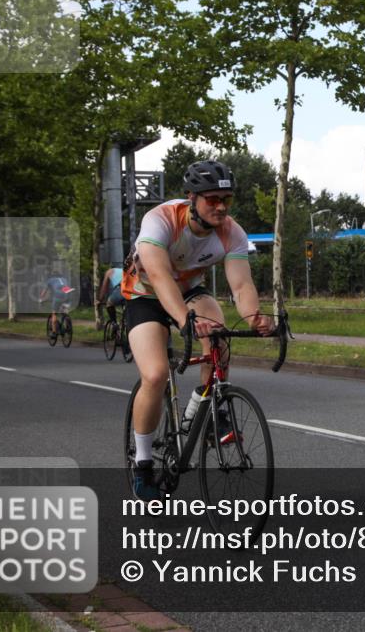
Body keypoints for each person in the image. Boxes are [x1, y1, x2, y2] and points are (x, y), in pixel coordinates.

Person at [122, 159, 273, 500]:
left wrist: (254, 318)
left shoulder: (231, 233)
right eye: (211, 199)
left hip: (189, 290)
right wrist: (184, 320)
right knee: (157, 374)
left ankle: (204, 413)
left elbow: (241, 285)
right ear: (191, 197)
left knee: (218, 334)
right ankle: (143, 464)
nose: (220, 206)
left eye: (226, 199)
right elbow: (159, 277)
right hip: (145, 293)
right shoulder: (160, 220)